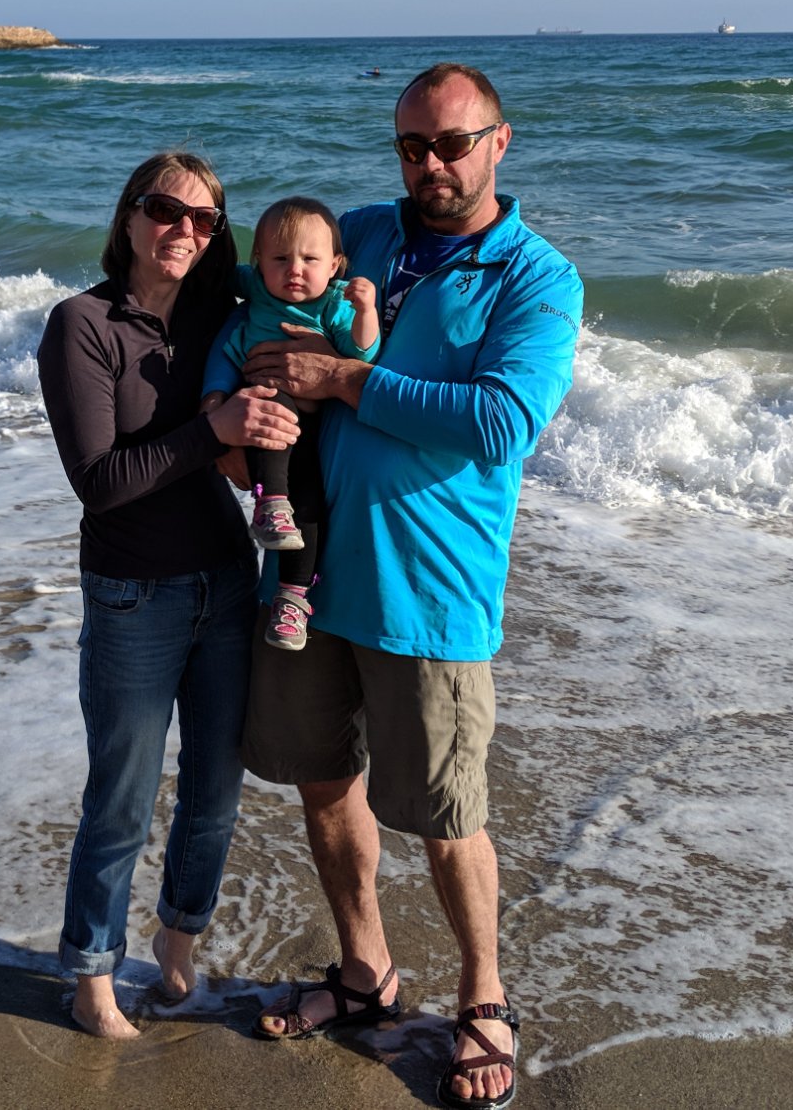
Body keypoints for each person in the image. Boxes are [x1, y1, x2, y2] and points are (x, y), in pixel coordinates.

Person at [240, 65, 582, 1110]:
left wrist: (344, 380)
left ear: (498, 142)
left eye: (449, 144)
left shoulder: (535, 278)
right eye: (409, 147)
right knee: (321, 780)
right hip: (309, 572)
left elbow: (498, 424)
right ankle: (363, 972)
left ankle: (483, 996)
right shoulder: (361, 235)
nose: (428, 166)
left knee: (443, 810)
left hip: (428, 587)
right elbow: (263, 298)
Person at [36, 151, 303, 1038]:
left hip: (227, 584)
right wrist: (212, 430)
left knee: (216, 792)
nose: (182, 231)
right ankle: (92, 980)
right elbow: (102, 482)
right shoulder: (82, 326)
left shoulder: (220, 322)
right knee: (122, 793)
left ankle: (177, 953)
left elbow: (308, 314)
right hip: (132, 597)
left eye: (203, 221)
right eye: (164, 211)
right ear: (129, 218)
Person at [201, 197, 379, 651]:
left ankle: (293, 600)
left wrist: (366, 312)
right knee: (271, 398)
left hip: (311, 430)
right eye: (280, 258)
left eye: (310, 259)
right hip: (266, 408)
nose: (294, 269)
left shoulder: (334, 306)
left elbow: (362, 356)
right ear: (258, 263)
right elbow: (208, 268)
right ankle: (270, 503)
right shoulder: (257, 289)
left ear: (336, 265)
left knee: (311, 504)